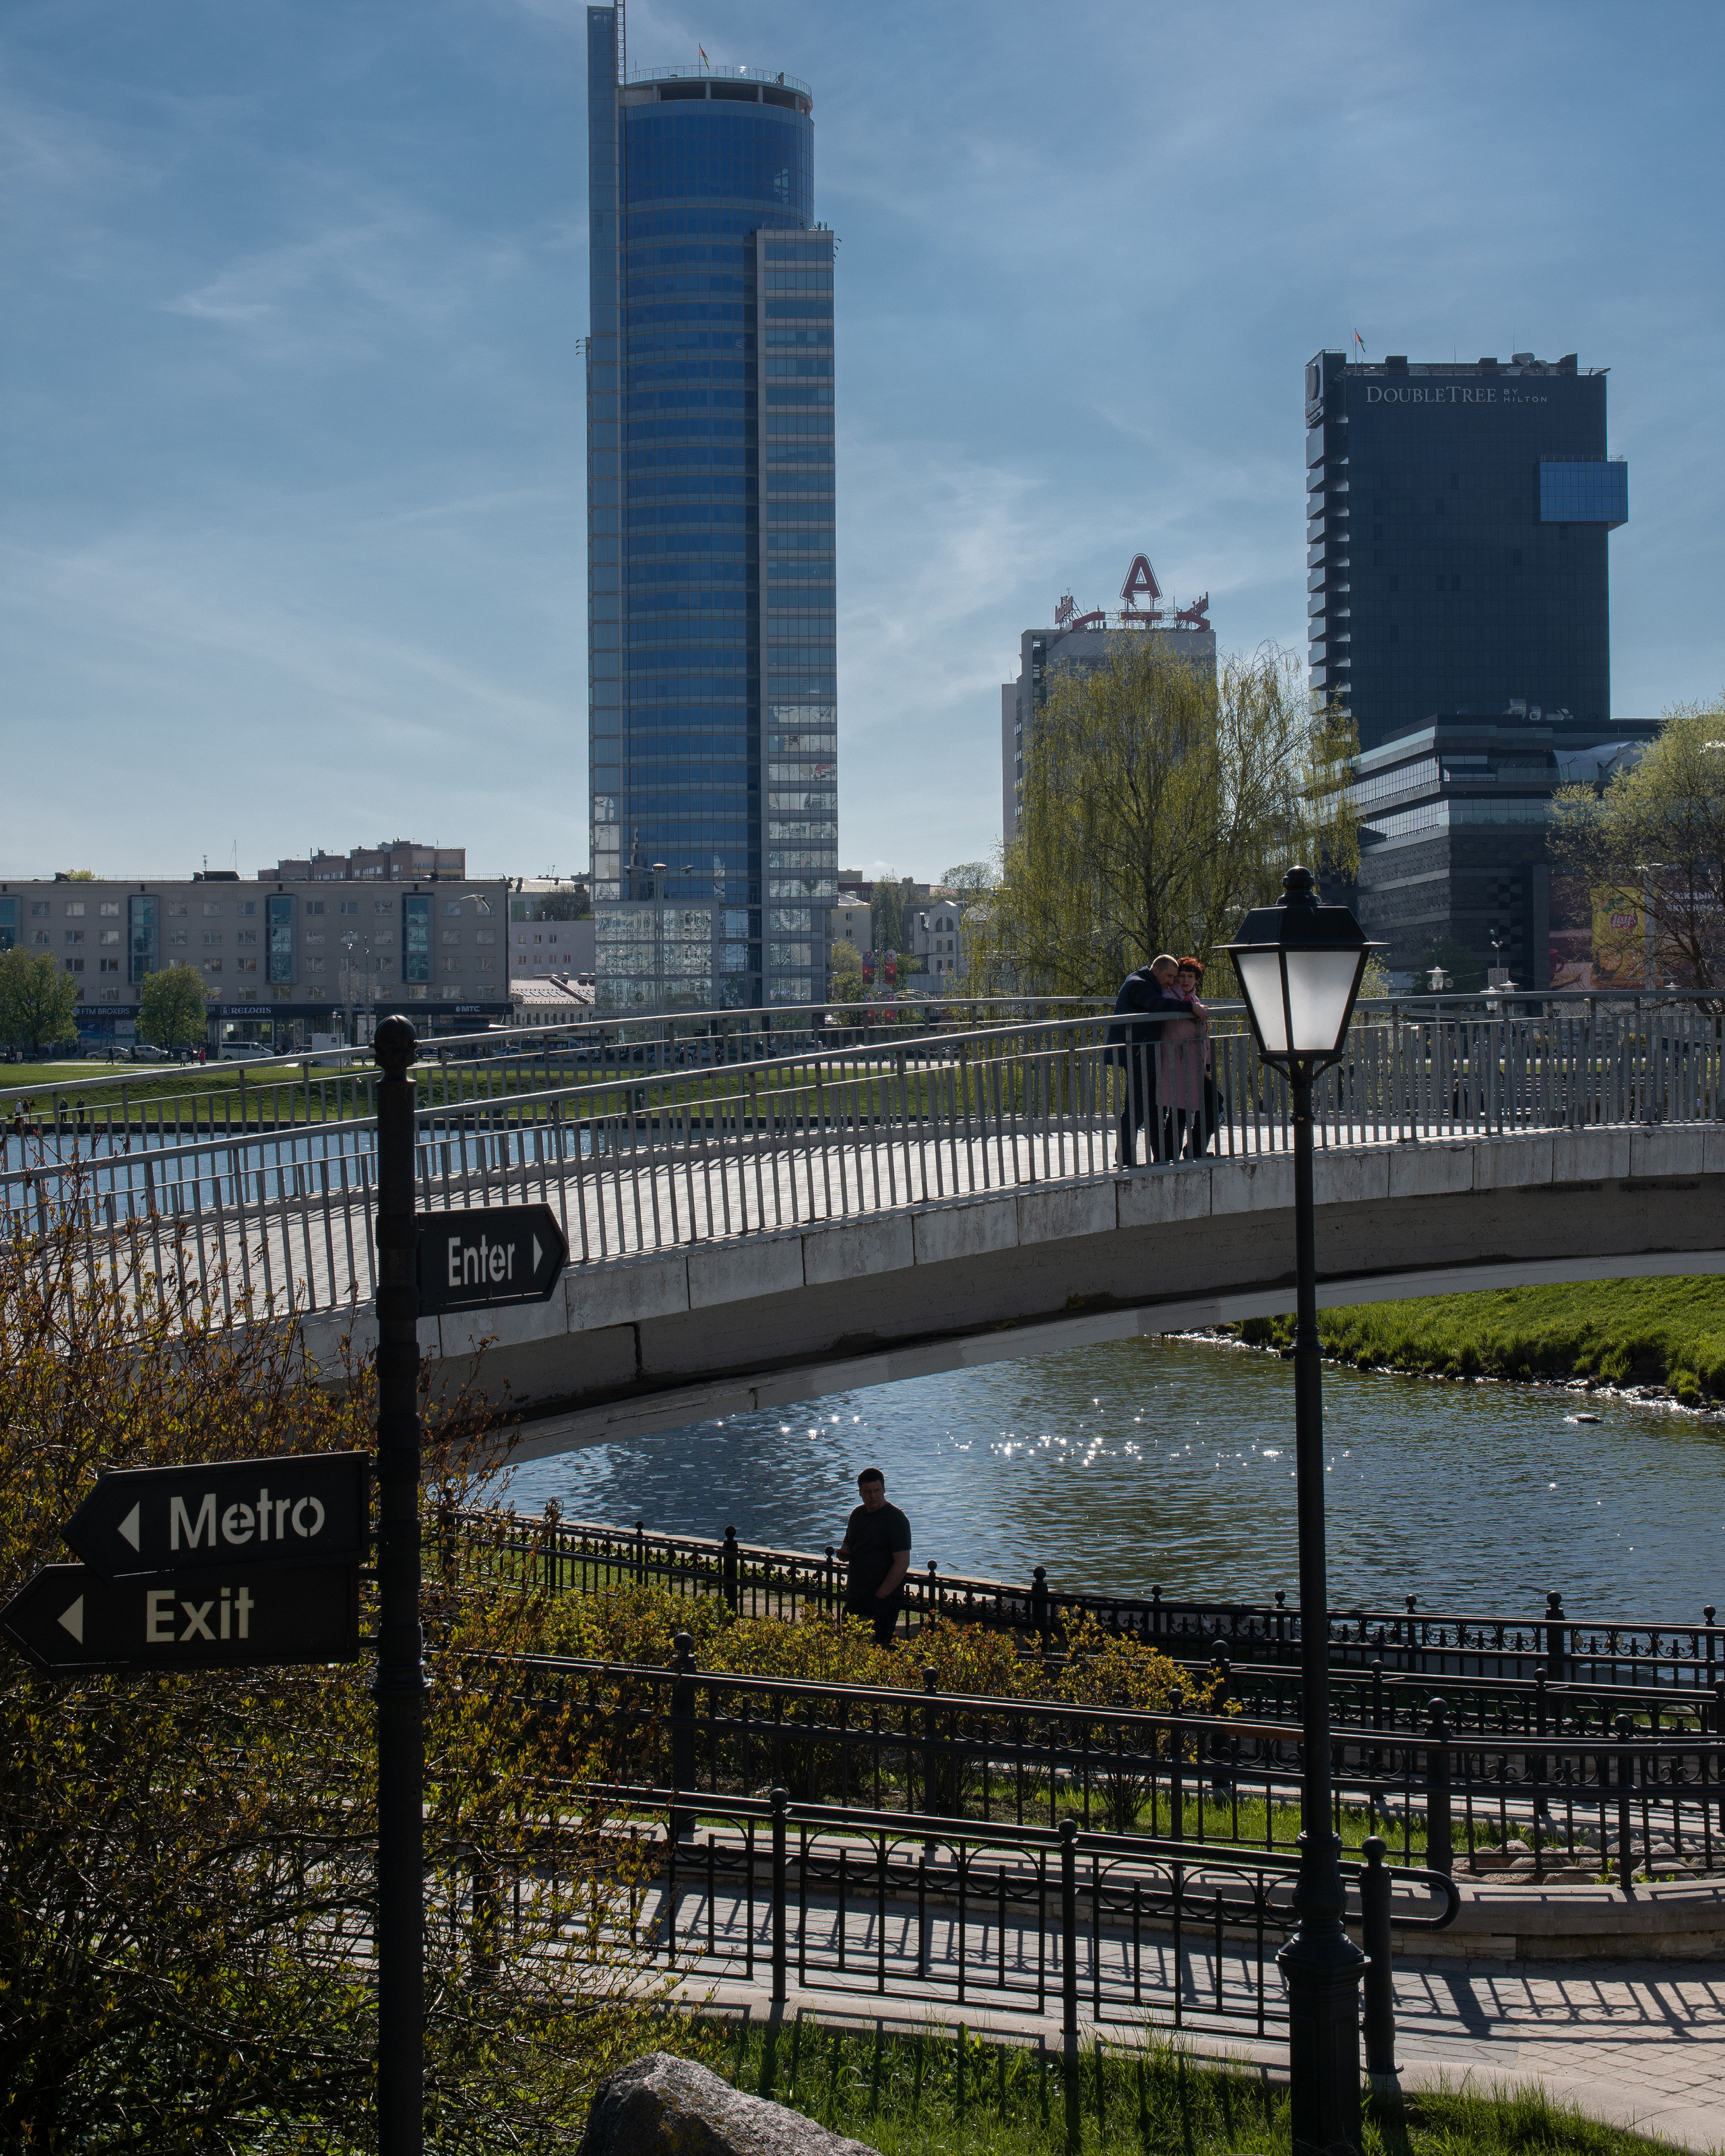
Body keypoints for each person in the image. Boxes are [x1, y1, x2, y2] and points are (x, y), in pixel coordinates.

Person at [1105, 954, 1184, 1166]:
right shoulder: (1138, 985)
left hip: (1145, 1055)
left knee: (1156, 1108)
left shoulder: (1143, 982)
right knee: (1137, 1109)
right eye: (1169, 976)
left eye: (1174, 978)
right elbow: (1157, 1005)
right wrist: (1189, 1009)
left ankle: (1159, 1157)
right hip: (1137, 1055)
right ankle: (1125, 1158)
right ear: (1156, 970)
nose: (1172, 981)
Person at [836, 1468, 912, 1647]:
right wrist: (845, 1551)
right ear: (860, 1492)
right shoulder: (857, 1515)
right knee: (849, 1644)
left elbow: (902, 1563)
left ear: (884, 1490)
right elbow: (848, 1543)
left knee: (880, 1646)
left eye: (877, 1491)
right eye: (868, 1492)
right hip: (856, 1594)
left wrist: (880, 1596)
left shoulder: (896, 1520)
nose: (873, 1496)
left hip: (884, 1598)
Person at [1163, 957, 1212, 1159]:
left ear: (1196, 979)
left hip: (1195, 1063)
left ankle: (1194, 1148)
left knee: (1212, 1104)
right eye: (1181, 975)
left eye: (1190, 976)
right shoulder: (1169, 995)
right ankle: (1171, 1154)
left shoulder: (1194, 999)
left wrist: (1207, 1064)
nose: (1185, 980)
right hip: (1176, 1061)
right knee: (1179, 1111)